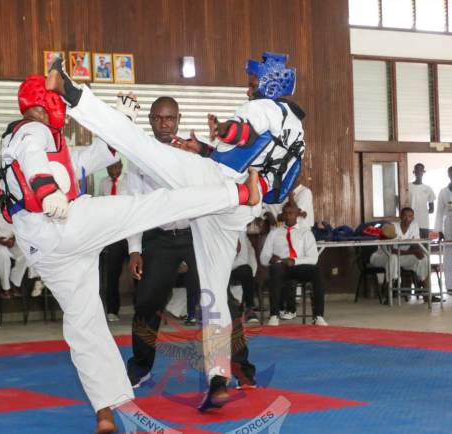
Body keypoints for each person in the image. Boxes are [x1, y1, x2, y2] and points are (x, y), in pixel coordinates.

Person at [0, 75, 260, 432]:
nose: (64, 115)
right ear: (45, 105)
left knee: (84, 325)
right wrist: (46, 192)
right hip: (64, 223)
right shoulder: (31, 130)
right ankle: (237, 196)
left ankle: (104, 412)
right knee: (150, 207)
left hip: (45, 248)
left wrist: (120, 119)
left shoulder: (41, 143)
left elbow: (95, 157)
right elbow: (33, 160)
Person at [47, 51, 304, 410]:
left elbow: (243, 133)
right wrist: (204, 148)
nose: (248, 90)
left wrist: (223, 129)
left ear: (269, 84)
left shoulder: (264, 107)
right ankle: (218, 377)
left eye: (252, 84)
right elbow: (252, 152)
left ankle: (73, 93)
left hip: (220, 186)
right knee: (214, 292)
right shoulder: (295, 124)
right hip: (239, 208)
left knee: (142, 148)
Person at [124, 96, 257, 391]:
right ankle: (140, 367)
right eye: (158, 118)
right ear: (150, 120)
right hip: (159, 237)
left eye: (169, 118)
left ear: (179, 119)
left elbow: (221, 193)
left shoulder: (193, 153)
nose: (164, 124)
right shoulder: (139, 157)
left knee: (220, 298)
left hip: (199, 231)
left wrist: (230, 235)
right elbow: (132, 205)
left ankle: (241, 369)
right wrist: (135, 249)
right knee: (147, 302)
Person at [261, 202, 326, 326]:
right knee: (275, 268)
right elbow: (263, 257)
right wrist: (270, 259)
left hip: (299, 266)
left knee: (317, 271)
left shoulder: (305, 232)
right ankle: (274, 315)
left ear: (297, 214)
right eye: (285, 213)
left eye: (291, 213)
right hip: (281, 267)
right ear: (282, 215)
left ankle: (318, 316)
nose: (288, 216)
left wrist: (295, 261)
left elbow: (313, 258)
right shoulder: (274, 233)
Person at [0, 201, 43, 300]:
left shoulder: (14, 199)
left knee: (27, 251)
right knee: (2, 254)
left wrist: (14, 238)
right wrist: (1, 241)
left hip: (12, 239)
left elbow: (20, 224)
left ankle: (15, 282)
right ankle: (5, 288)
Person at [369, 207, 430, 292]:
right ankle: (389, 289)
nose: (407, 219)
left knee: (424, 258)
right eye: (405, 216)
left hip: (400, 257)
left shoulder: (414, 226)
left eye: (410, 216)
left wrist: (417, 252)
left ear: (413, 218)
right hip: (382, 256)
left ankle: (425, 289)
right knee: (393, 257)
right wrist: (413, 252)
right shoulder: (392, 227)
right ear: (400, 217)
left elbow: (416, 245)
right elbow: (391, 250)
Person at [99, 161, 129, 321]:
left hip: (131, 232)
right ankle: (112, 310)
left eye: (115, 167)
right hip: (113, 235)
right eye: (109, 167)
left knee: (138, 273)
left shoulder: (130, 181)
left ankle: (141, 308)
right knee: (112, 274)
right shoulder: (103, 183)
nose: (113, 170)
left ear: (121, 166)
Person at [434, 166, 452, 292]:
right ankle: (449, 286)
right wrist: (439, 230)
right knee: (448, 256)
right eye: (451, 174)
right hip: (448, 224)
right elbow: (439, 211)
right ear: (448, 175)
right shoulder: (443, 191)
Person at [230, 230, 258, 323]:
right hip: (219, 269)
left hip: (234, 268)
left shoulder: (240, 232)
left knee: (246, 270)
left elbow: (243, 260)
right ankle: (233, 304)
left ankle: (249, 309)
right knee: (218, 275)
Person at [407, 163, 436, 238]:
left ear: (424, 172)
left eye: (421, 170)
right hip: (409, 221)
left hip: (423, 223)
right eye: (417, 170)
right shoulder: (407, 187)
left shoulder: (428, 189)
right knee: (410, 245)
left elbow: (432, 209)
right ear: (414, 172)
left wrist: (422, 212)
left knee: (423, 245)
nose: (419, 172)